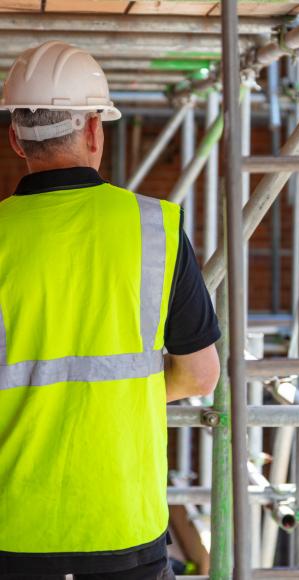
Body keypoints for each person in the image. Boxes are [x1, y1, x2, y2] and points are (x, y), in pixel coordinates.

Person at [0, 41, 221, 579]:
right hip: (125, 527)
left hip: (13, 532)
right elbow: (200, 374)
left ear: (15, 140)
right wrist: (119, 396)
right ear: (96, 129)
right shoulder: (155, 228)